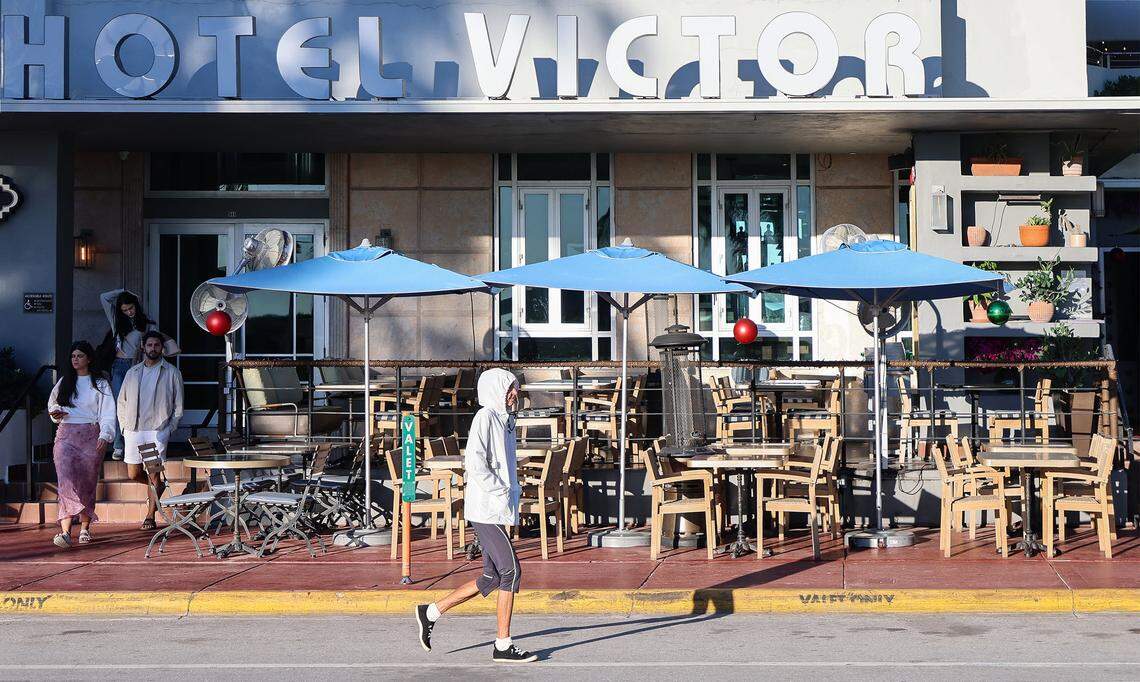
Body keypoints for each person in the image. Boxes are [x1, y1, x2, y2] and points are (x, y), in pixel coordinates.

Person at [415, 368, 536, 664]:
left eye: (516, 389)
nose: (515, 394)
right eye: (510, 389)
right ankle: (503, 645)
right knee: (511, 572)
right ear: (496, 390)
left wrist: (509, 492)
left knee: (490, 578)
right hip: (486, 509)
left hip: (496, 508)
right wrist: (501, 490)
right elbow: (476, 464)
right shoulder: (485, 418)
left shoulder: (505, 421)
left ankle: (429, 612)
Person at [46, 341, 116, 548]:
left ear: (89, 359)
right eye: (73, 356)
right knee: (65, 480)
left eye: (80, 356)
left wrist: (105, 435)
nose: (75, 359)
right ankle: (66, 531)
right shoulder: (64, 381)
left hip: (90, 435)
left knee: (87, 482)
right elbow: (53, 403)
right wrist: (57, 413)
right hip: (66, 434)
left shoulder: (100, 383)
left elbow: (108, 412)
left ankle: (85, 527)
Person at [99, 289, 179, 460]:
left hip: (137, 367)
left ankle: (138, 444)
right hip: (120, 366)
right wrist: (124, 291)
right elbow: (104, 297)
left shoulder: (146, 323)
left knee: (138, 405)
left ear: (136, 305)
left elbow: (154, 341)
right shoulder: (116, 322)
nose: (129, 312)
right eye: (125, 310)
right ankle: (119, 445)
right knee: (119, 404)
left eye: (131, 308)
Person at [117, 331, 184, 531]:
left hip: (156, 430)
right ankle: (156, 488)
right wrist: (123, 426)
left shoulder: (171, 372)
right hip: (133, 429)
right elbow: (122, 401)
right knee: (132, 473)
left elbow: (178, 405)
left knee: (154, 473)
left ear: (161, 348)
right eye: (149, 345)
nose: (153, 348)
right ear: (143, 347)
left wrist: (170, 428)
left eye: (156, 345)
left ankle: (150, 515)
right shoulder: (132, 372)